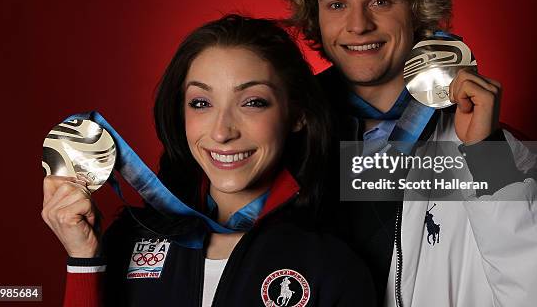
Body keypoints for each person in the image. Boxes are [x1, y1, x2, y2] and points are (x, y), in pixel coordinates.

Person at [283, 0, 537, 306]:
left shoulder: (490, 147)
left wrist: (486, 156)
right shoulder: (285, 140)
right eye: (337, 4)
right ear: (317, 18)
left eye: (381, 1)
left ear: (417, 10)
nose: (358, 25)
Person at [41, 15, 376, 307]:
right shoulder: (129, 238)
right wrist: (85, 259)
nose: (221, 132)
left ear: (297, 114)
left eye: (253, 102)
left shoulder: (332, 265)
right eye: (201, 103)